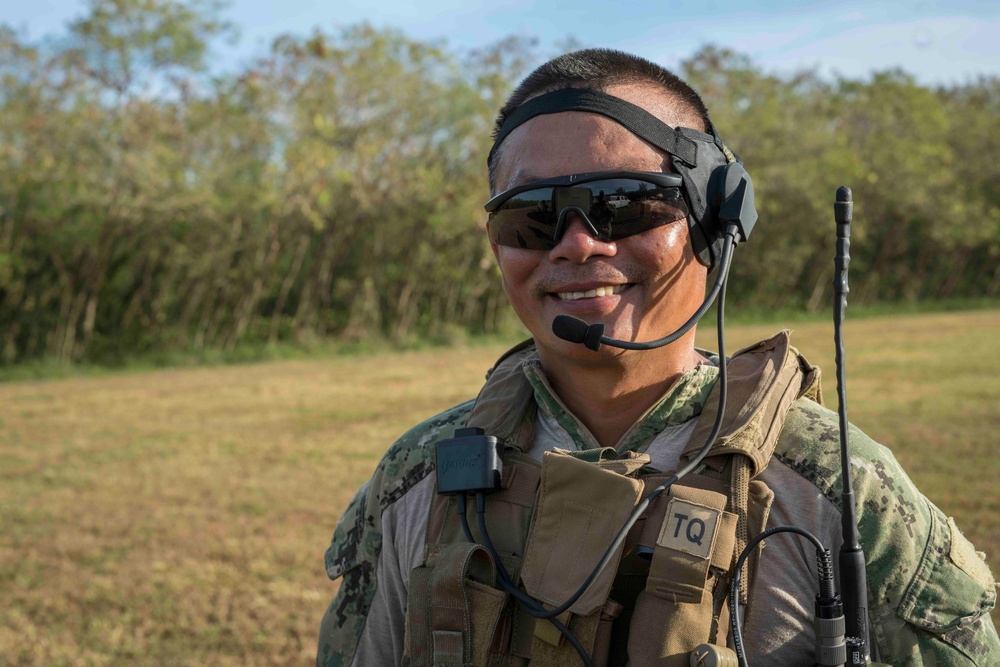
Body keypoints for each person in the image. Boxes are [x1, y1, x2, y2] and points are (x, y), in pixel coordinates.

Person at [317, 49, 999, 666]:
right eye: (532, 216)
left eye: (623, 205)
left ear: (717, 222)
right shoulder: (419, 478)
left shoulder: (838, 489)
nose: (577, 244)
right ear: (499, 247)